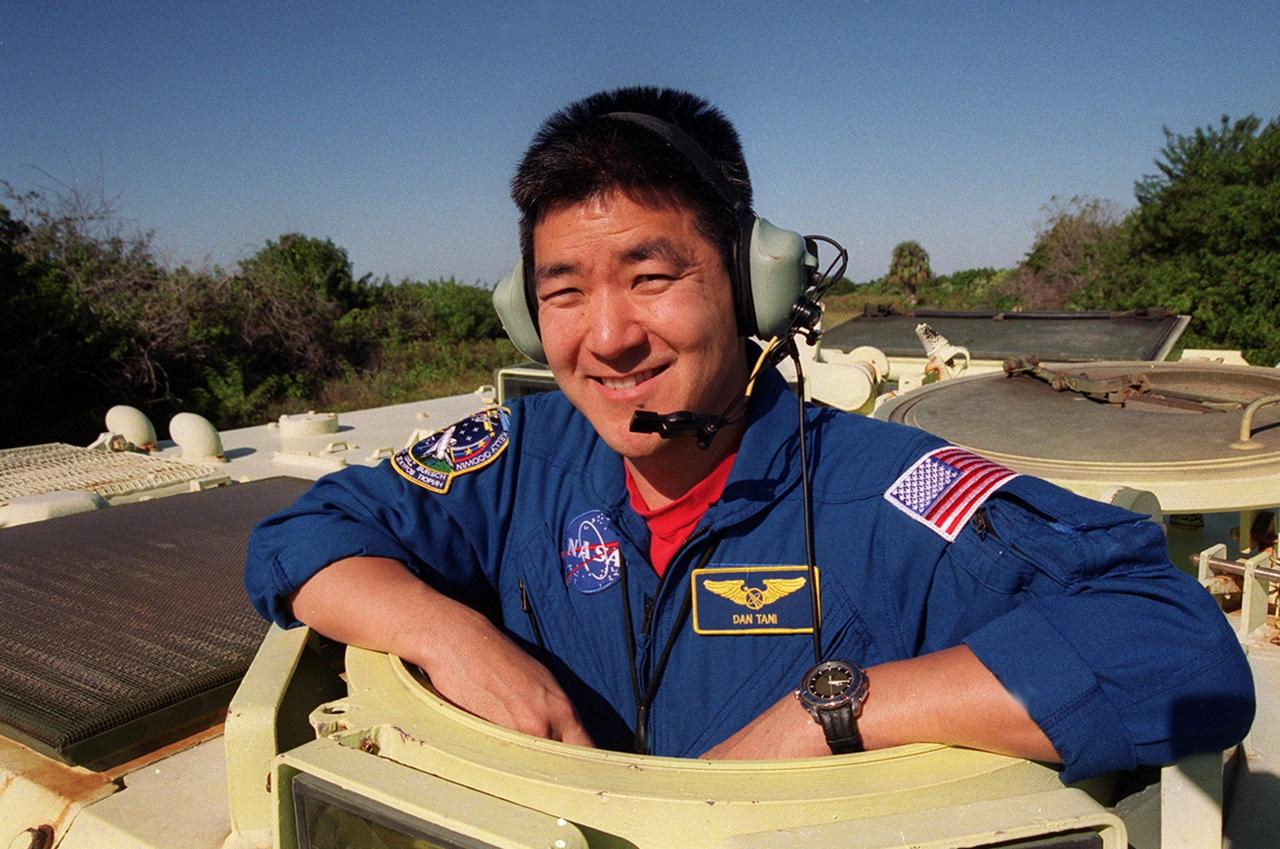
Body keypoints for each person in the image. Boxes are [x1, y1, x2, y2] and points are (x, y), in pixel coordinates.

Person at [245, 86, 1254, 781]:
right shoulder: (518, 459)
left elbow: (1176, 648)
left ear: (754, 285)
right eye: (564, 292)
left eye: (651, 276)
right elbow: (304, 536)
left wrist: (833, 707)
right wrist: (447, 634)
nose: (606, 338)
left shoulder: (883, 491)